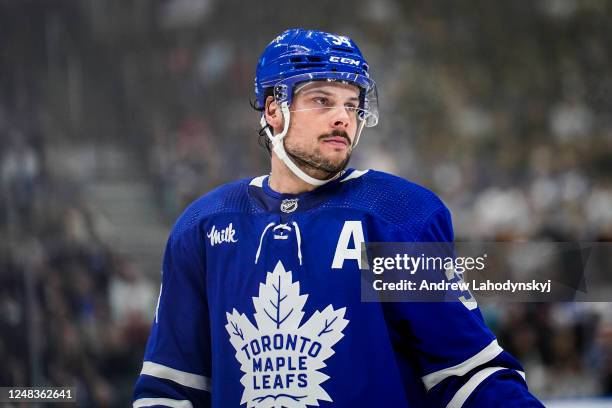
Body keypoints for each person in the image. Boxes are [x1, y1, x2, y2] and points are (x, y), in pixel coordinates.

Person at [133, 28, 543, 407]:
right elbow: (170, 388)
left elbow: (466, 374)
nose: (342, 117)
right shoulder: (204, 226)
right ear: (274, 109)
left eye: (352, 104)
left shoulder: (397, 216)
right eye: (322, 100)